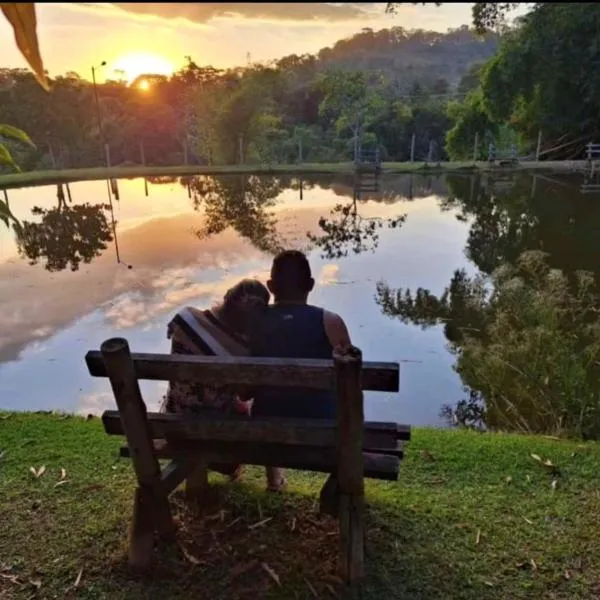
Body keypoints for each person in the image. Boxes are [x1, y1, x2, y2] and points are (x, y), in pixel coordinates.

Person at [249, 250, 352, 491]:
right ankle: (338, 479)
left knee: (267, 402)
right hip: (323, 434)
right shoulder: (331, 322)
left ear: (271, 287)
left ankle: (274, 480)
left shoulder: (253, 323)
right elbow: (351, 385)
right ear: (311, 285)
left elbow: (245, 390)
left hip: (266, 433)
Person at [160, 278, 270, 480]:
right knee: (253, 403)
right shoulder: (242, 352)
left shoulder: (184, 319)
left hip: (173, 427)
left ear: (227, 295)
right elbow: (245, 394)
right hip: (219, 439)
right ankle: (272, 478)